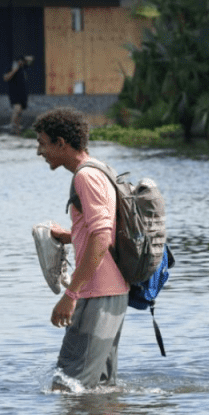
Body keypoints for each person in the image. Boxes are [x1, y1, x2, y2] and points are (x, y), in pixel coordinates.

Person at [33, 107, 129, 390]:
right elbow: (96, 232)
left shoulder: (85, 177)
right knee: (100, 389)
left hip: (97, 294)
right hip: (112, 292)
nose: (40, 151)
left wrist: (70, 295)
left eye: (42, 142)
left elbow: (102, 238)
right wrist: (68, 235)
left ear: (61, 143)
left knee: (67, 387)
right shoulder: (99, 170)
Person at [3, 55, 33, 134]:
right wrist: (14, 70)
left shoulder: (23, 68)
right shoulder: (12, 67)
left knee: (20, 111)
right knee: (17, 108)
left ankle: (17, 128)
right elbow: (5, 78)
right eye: (20, 61)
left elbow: (31, 59)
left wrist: (25, 59)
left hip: (23, 93)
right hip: (14, 92)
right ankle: (13, 127)